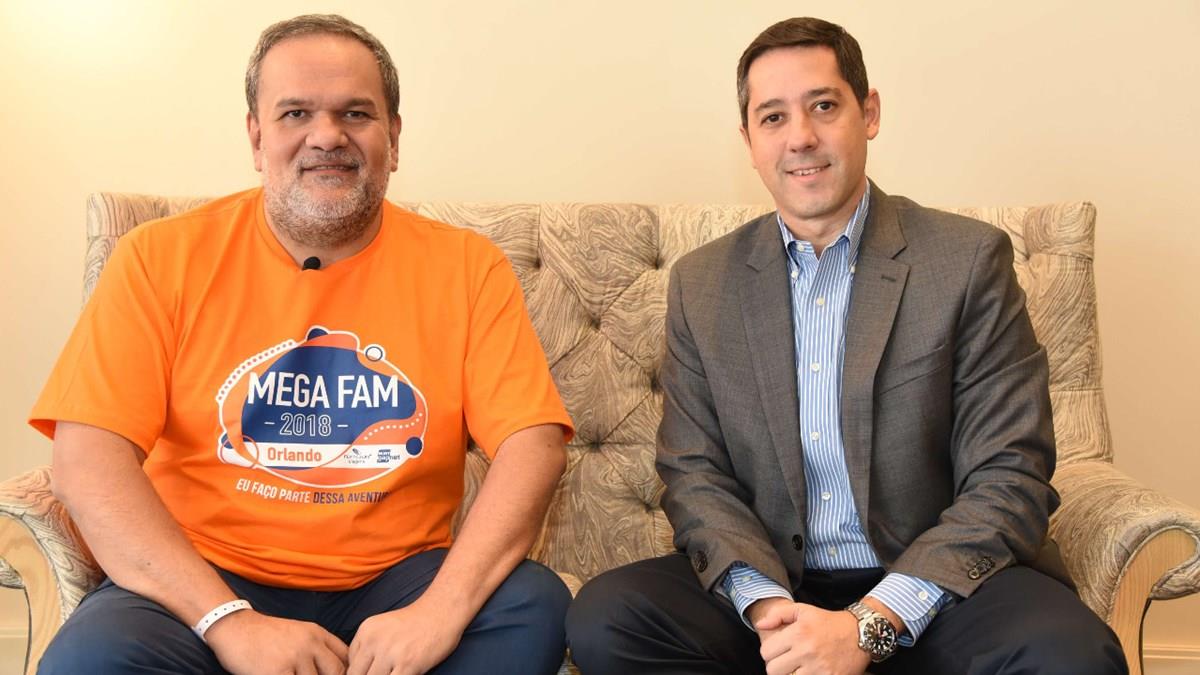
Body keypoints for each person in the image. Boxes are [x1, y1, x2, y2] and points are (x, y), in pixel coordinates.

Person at [566, 17, 1126, 675]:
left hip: (934, 586)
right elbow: (695, 473)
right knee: (610, 617)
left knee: (1071, 654)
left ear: (870, 113)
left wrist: (868, 626)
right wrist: (771, 613)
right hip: (776, 583)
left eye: (824, 106)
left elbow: (1010, 473)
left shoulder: (967, 262)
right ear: (749, 141)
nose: (800, 136)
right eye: (773, 117)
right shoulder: (703, 282)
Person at [30, 14, 573, 675]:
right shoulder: (157, 258)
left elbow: (532, 445)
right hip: (204, 577)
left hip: (400, 580)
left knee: (533, 606)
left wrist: (441, 611)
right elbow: (87, 460)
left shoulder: (468, 267)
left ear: (394, 138)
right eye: (295, 113)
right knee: (90, 660)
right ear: (257, 137)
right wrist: (228, 621)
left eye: (356, 113)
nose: (327, 135)